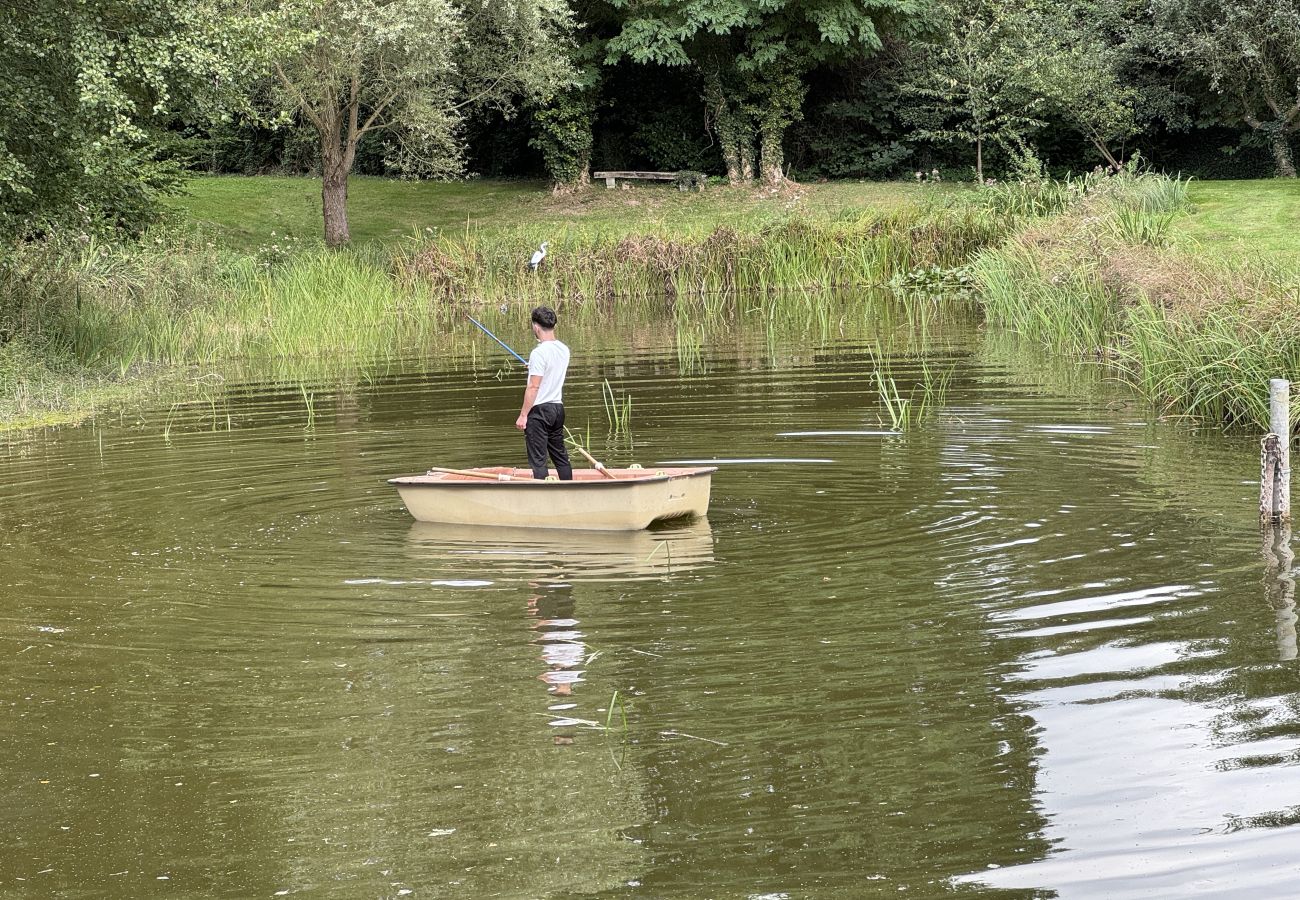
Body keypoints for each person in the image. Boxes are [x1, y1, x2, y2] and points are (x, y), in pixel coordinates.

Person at [515, 306, 573, 480]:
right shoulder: (564, 350)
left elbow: (533, 387)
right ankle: (569, 490)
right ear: (553, 326)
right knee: (560, 457)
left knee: (538, 460)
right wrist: (533, 367)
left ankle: (542, 496)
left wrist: (523, 415)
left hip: (539, 412)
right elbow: (551, 369)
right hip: (557, 409)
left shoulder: (538, 353)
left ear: (536, 327)